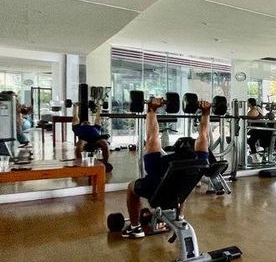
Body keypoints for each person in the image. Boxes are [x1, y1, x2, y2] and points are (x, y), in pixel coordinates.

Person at [124, 97, 211, 238]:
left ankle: (135, 228)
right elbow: (204, 135)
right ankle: (179, 218)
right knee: (185, 182)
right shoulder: (200, 161)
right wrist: (206, 112)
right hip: (179, 193)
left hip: (156, 190)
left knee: (131, 188)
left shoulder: (157, 166)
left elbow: (152, 136)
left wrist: (152, 109)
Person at [72, 102, 112, 171]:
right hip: (84, 140)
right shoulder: (77, 128)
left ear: (90, 124)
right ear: (81, 124)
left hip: (96, 139)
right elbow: (75, 117)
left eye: (87, 122)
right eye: (84, 122)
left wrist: (99, 107)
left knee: (105, 143)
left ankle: (105, 163)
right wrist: (75, 107)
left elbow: (98, 117)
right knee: (79, 145)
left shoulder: (95, 127)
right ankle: (79, 164)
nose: (86, 122)